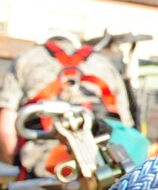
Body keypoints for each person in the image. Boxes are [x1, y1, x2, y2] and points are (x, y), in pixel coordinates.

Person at [0, 33, 134, 177]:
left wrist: (15, 165)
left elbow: (6, 126)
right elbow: (126, 129)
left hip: (41, 167)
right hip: (101, 168)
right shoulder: (106, 65)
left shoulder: (26, 59)